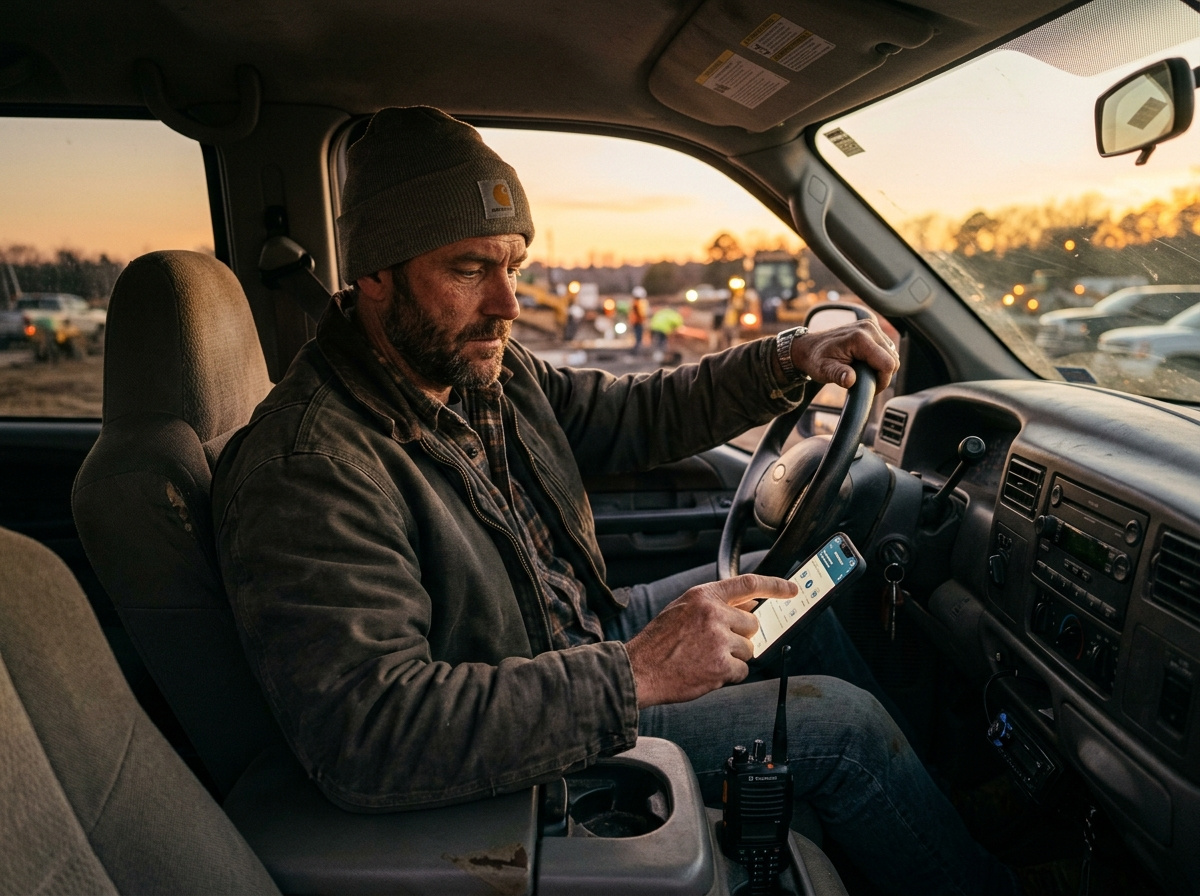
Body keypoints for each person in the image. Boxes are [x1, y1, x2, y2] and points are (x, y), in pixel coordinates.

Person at [212, 107, 1016, 896]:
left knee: (800, 599)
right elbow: (373, 732)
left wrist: (789, 358)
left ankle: (934, 812)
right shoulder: (309, 467)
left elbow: (635, 413)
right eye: (468, 270)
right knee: (846, 732)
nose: (508, 303)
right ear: (375, 275)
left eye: (514, 266)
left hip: (573, 633)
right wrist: (632, 675)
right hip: (537, 724)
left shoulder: (481, 369)